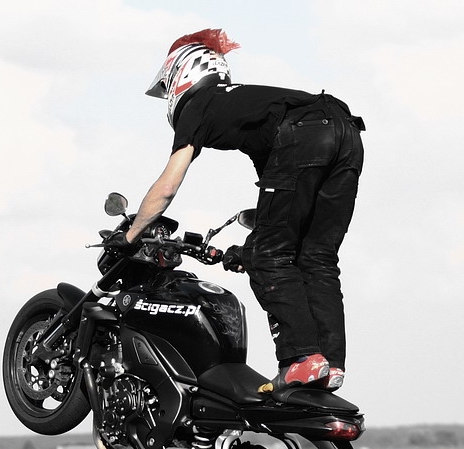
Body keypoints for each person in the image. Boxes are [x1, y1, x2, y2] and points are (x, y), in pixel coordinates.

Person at [110, 28, 364, 393]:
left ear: (182, 74)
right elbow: (281, 213)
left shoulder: (200, 104)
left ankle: (302, 359)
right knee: (316, 258)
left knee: (268, 256)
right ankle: (330, 364)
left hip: (305, 134)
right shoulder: (251, 108)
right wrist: (248, 250)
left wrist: (130, 236)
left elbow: (167, 187)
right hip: (346, 132)